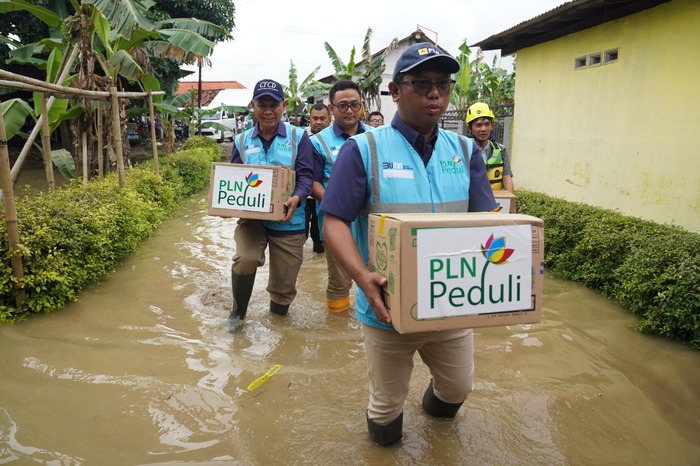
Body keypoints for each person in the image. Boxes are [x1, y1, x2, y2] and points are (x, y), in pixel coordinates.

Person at [320, 43, 496, 446]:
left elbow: (488, 227)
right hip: (387, 307)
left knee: (458, 388)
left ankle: (436, 436)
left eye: (442, 84)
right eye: (421, 84)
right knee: (386, 408)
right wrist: (362, 278)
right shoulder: (363, 150)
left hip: (451, 304)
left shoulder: (466, 152)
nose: (435, 93)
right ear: (395, 91)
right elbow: (334, 222)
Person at [226, 79, 314, 331]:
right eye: (261, 104)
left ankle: (278, 322)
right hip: (253, 220)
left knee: (284, 286)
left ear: (283, 106)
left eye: (273, 104)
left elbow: (307, 176)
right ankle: (237, 314)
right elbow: (232, 178)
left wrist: (296, 197)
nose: (267, 110)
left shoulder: (299, 138)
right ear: (252, 105)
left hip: (290, 220)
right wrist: (225, 204)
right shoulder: (242, 141)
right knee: (245, 257)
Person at [311, 80, 369, 314]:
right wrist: (341, 206)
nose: (349, 110)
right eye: (342, 105)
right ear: (332, 108)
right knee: (339, 282)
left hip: (373, 222)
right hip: (336, 223)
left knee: (381, 274)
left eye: (354, 104)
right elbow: (312, 183)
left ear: (361, 106)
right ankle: (338, 328)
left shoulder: (377, 137)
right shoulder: (317, 142)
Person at [466, 102, 515, 193]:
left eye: (487, 124)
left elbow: (507, 179)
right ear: (470, 128)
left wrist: (511, 206)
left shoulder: (501, 150)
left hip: (496, 205)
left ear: (492, 126)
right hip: (471, 205)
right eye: (478, 125)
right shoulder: (463, 151)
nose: (483, 129)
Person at [305, 103, 331, 253]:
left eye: (322, 118)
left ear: (329, 119)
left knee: (319, 237)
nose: (319, 122)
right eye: (315, 118)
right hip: (304, 196)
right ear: (309, 119)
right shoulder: (301, 137)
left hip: (323, 197)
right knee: (299, 235)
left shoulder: (333, 140)